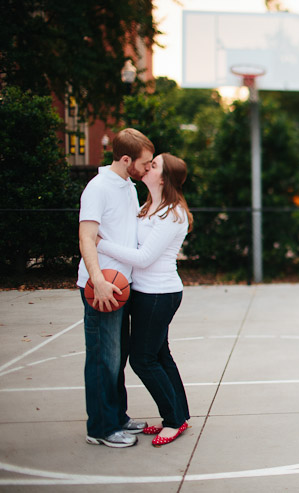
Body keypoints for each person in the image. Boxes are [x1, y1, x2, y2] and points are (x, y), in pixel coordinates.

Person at [96, 153, 193, 447]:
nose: (147, 167)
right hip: (144, 293)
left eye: (154, 165)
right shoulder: (149, 206)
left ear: (163, 178)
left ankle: (173, 421)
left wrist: (101, 244)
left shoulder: (172, 214)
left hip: (159, 294)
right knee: (160, 355)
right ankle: (179, 415)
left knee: (142, 359)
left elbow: (144, 257)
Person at [77, 128, 154, 448]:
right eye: (145, 163)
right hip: (103, 287)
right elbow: (86, 237)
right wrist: (98, 280)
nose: (148, 169)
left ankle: (117, 416)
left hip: (123, 285)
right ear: (126, 160)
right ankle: (101, 427)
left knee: (117, 356)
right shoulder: (98, 188)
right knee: (102, 358)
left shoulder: (126, 184)